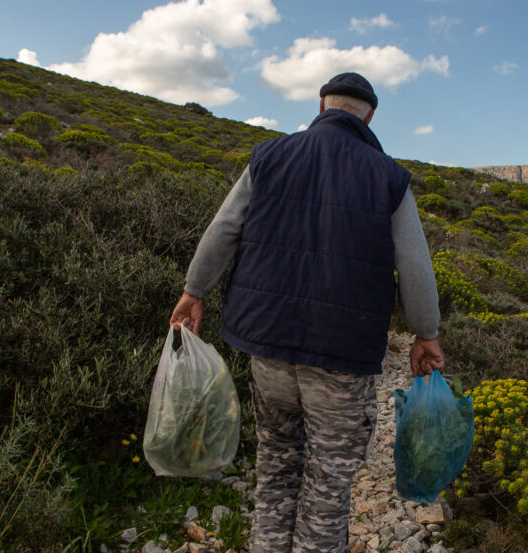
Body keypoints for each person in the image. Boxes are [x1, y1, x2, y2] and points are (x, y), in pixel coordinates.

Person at [169, 72, 443, 553]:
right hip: (342, 357)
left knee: (275, 471)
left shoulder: (269, 157)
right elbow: (415, 267)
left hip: (267, 348)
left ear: (321, 107)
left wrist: (195, 291)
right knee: (327, 489)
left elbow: (223, 229)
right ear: (369, 116)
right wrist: (426, 333)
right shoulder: (389, 177)